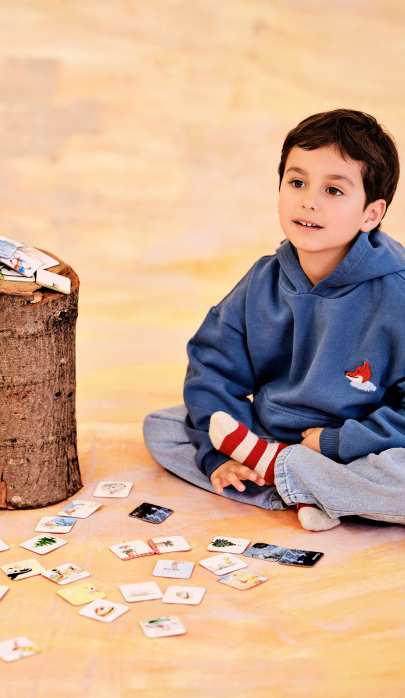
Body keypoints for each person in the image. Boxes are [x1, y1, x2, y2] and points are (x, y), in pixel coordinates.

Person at [143, 109, 405, 531]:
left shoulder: (397, 293)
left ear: (370, 215)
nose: (309, 200)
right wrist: (219, 455)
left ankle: (288, 479)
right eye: (297, 182)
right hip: (266, 432)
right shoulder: (263, 280)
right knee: (163, 427)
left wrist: (342, 442)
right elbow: (212, 367)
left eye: (334, 190)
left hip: (360, 446)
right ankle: (306, 488)